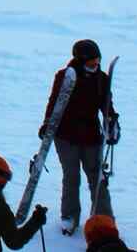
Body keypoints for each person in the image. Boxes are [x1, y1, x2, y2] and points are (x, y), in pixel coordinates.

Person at [39, 38, 119, 234]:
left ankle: (103, 218)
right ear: (80, 60)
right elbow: (54, 102)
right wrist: (47, 123)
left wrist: (111, 122)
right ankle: (69, 217)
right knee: (71, 176)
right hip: (65, 136)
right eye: (91, 62)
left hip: (91, 136)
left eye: (97, 61)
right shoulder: (65, 77)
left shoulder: (101, 79)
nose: (95, 65)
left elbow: (107, 106)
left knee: (97, 177)